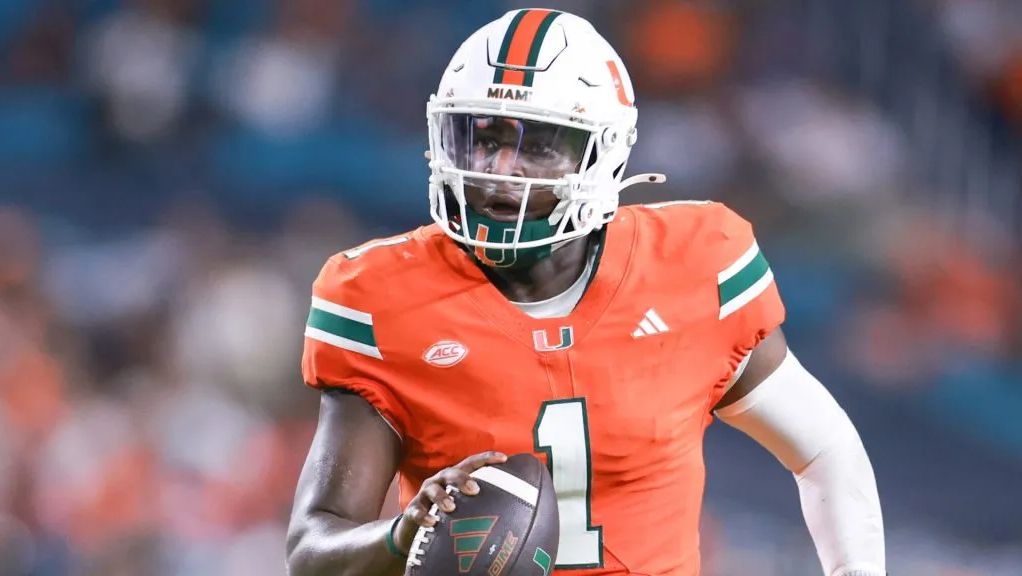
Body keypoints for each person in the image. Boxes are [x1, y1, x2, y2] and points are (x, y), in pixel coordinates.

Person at [286, 8, 886, 576]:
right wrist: (403, 535)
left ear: (603, 154)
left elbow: (822, 449)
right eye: (482, 136)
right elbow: (315, 547)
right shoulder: (382, 297)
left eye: (537, 145)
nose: (502, 167)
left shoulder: (694, 264)